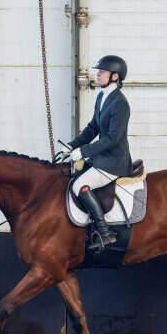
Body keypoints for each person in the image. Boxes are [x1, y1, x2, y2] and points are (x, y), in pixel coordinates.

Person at [64, 55, 132, 250]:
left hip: (114, 162)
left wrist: (83, 151)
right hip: (101, 158)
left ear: (115, 76)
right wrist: (71, 146)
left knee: (80, 186)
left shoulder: (120, 103)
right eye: (99, 71)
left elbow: (112, 138)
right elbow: (93, 128)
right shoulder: (102, 96)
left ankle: (104, 233)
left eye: (102, 71)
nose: (98, 74)